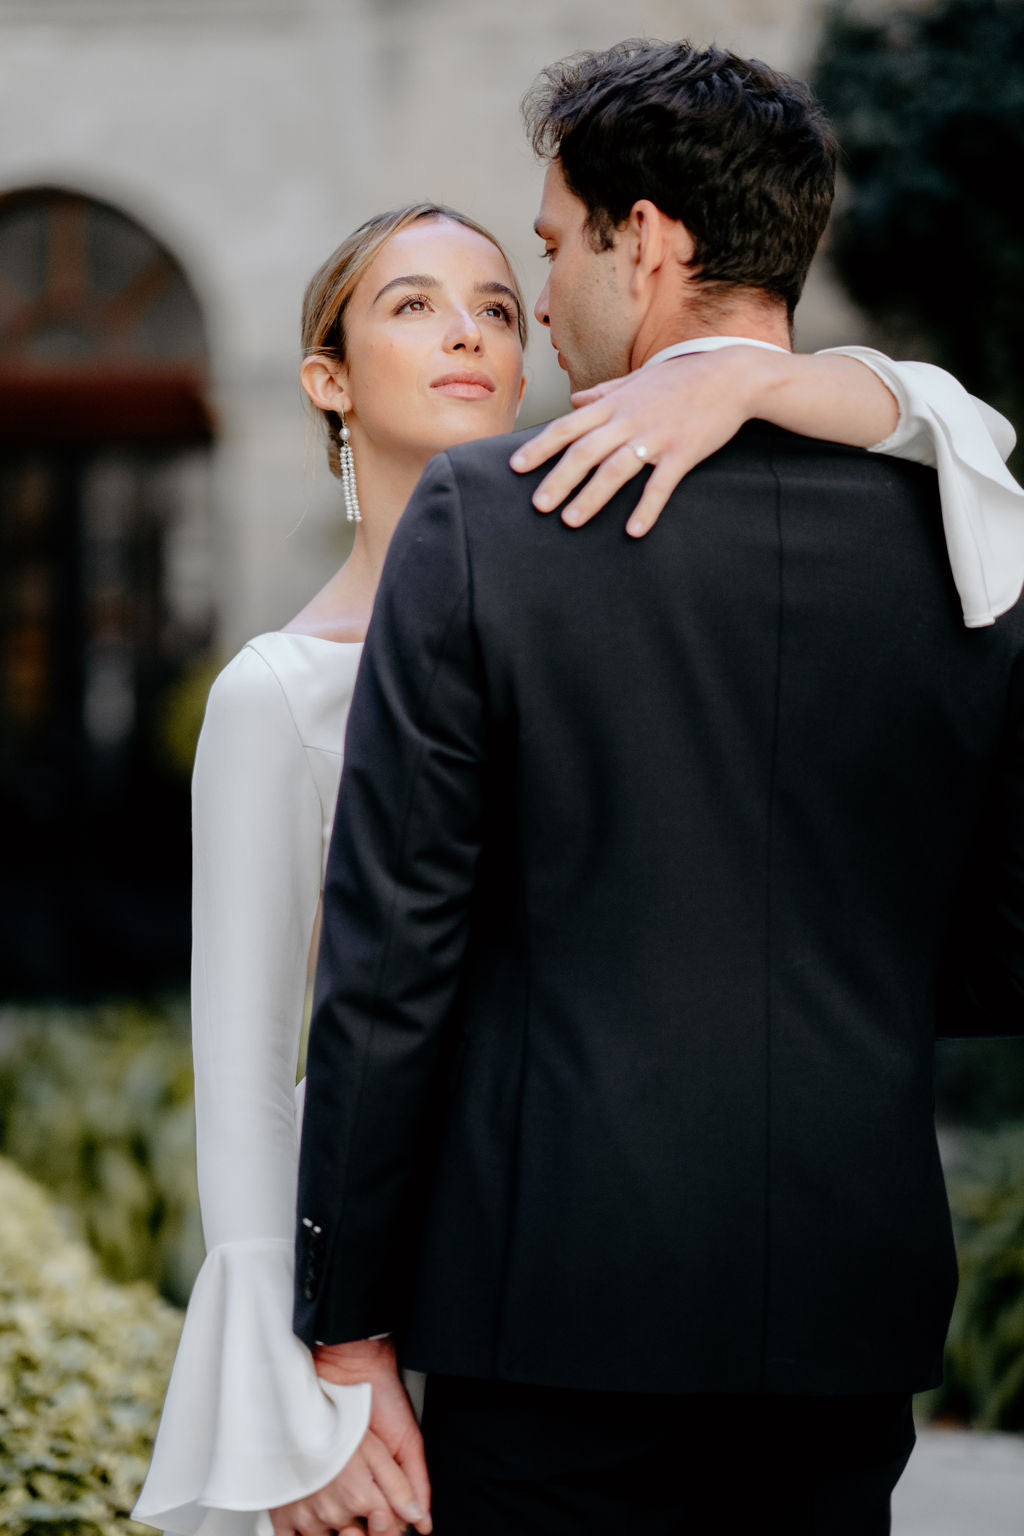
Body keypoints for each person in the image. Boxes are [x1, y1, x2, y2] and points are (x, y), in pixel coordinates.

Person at [136, 160, 1018, 1536]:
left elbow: (967, 445)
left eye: (499, 298)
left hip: (582, 1292)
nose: (476, 330)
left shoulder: (608, 581)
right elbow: (250, 1063)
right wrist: (309, 1373)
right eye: (416, 306)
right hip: (417, 1290)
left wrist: (756, 381)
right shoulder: (275, 691)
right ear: (326, 379)